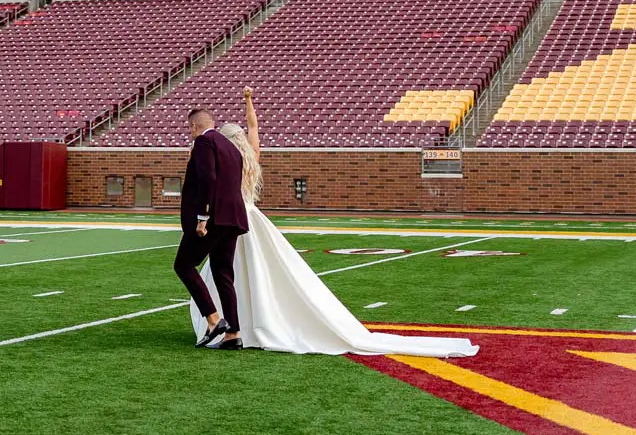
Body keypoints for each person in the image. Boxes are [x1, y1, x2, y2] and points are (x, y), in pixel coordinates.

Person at [188, 89, 478, 358]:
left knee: (229, 274)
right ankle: (244, 326)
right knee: (253, 276)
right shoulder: (248, 156)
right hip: (249, 218)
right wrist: (248, 101)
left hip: (228, 220)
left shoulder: (221, 157)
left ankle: (233, 325)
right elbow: (254, 128)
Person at [175, 108, 249, 349]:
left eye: (189, 128)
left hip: (213, 218)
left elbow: (208, 179)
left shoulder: (204, 142)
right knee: (223, 274)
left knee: (183, 265)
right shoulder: (232, 148)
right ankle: (233, 334)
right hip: (233, 218)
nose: (190, 133)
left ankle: (213, 319)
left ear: (195, 126)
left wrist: (202, 217)